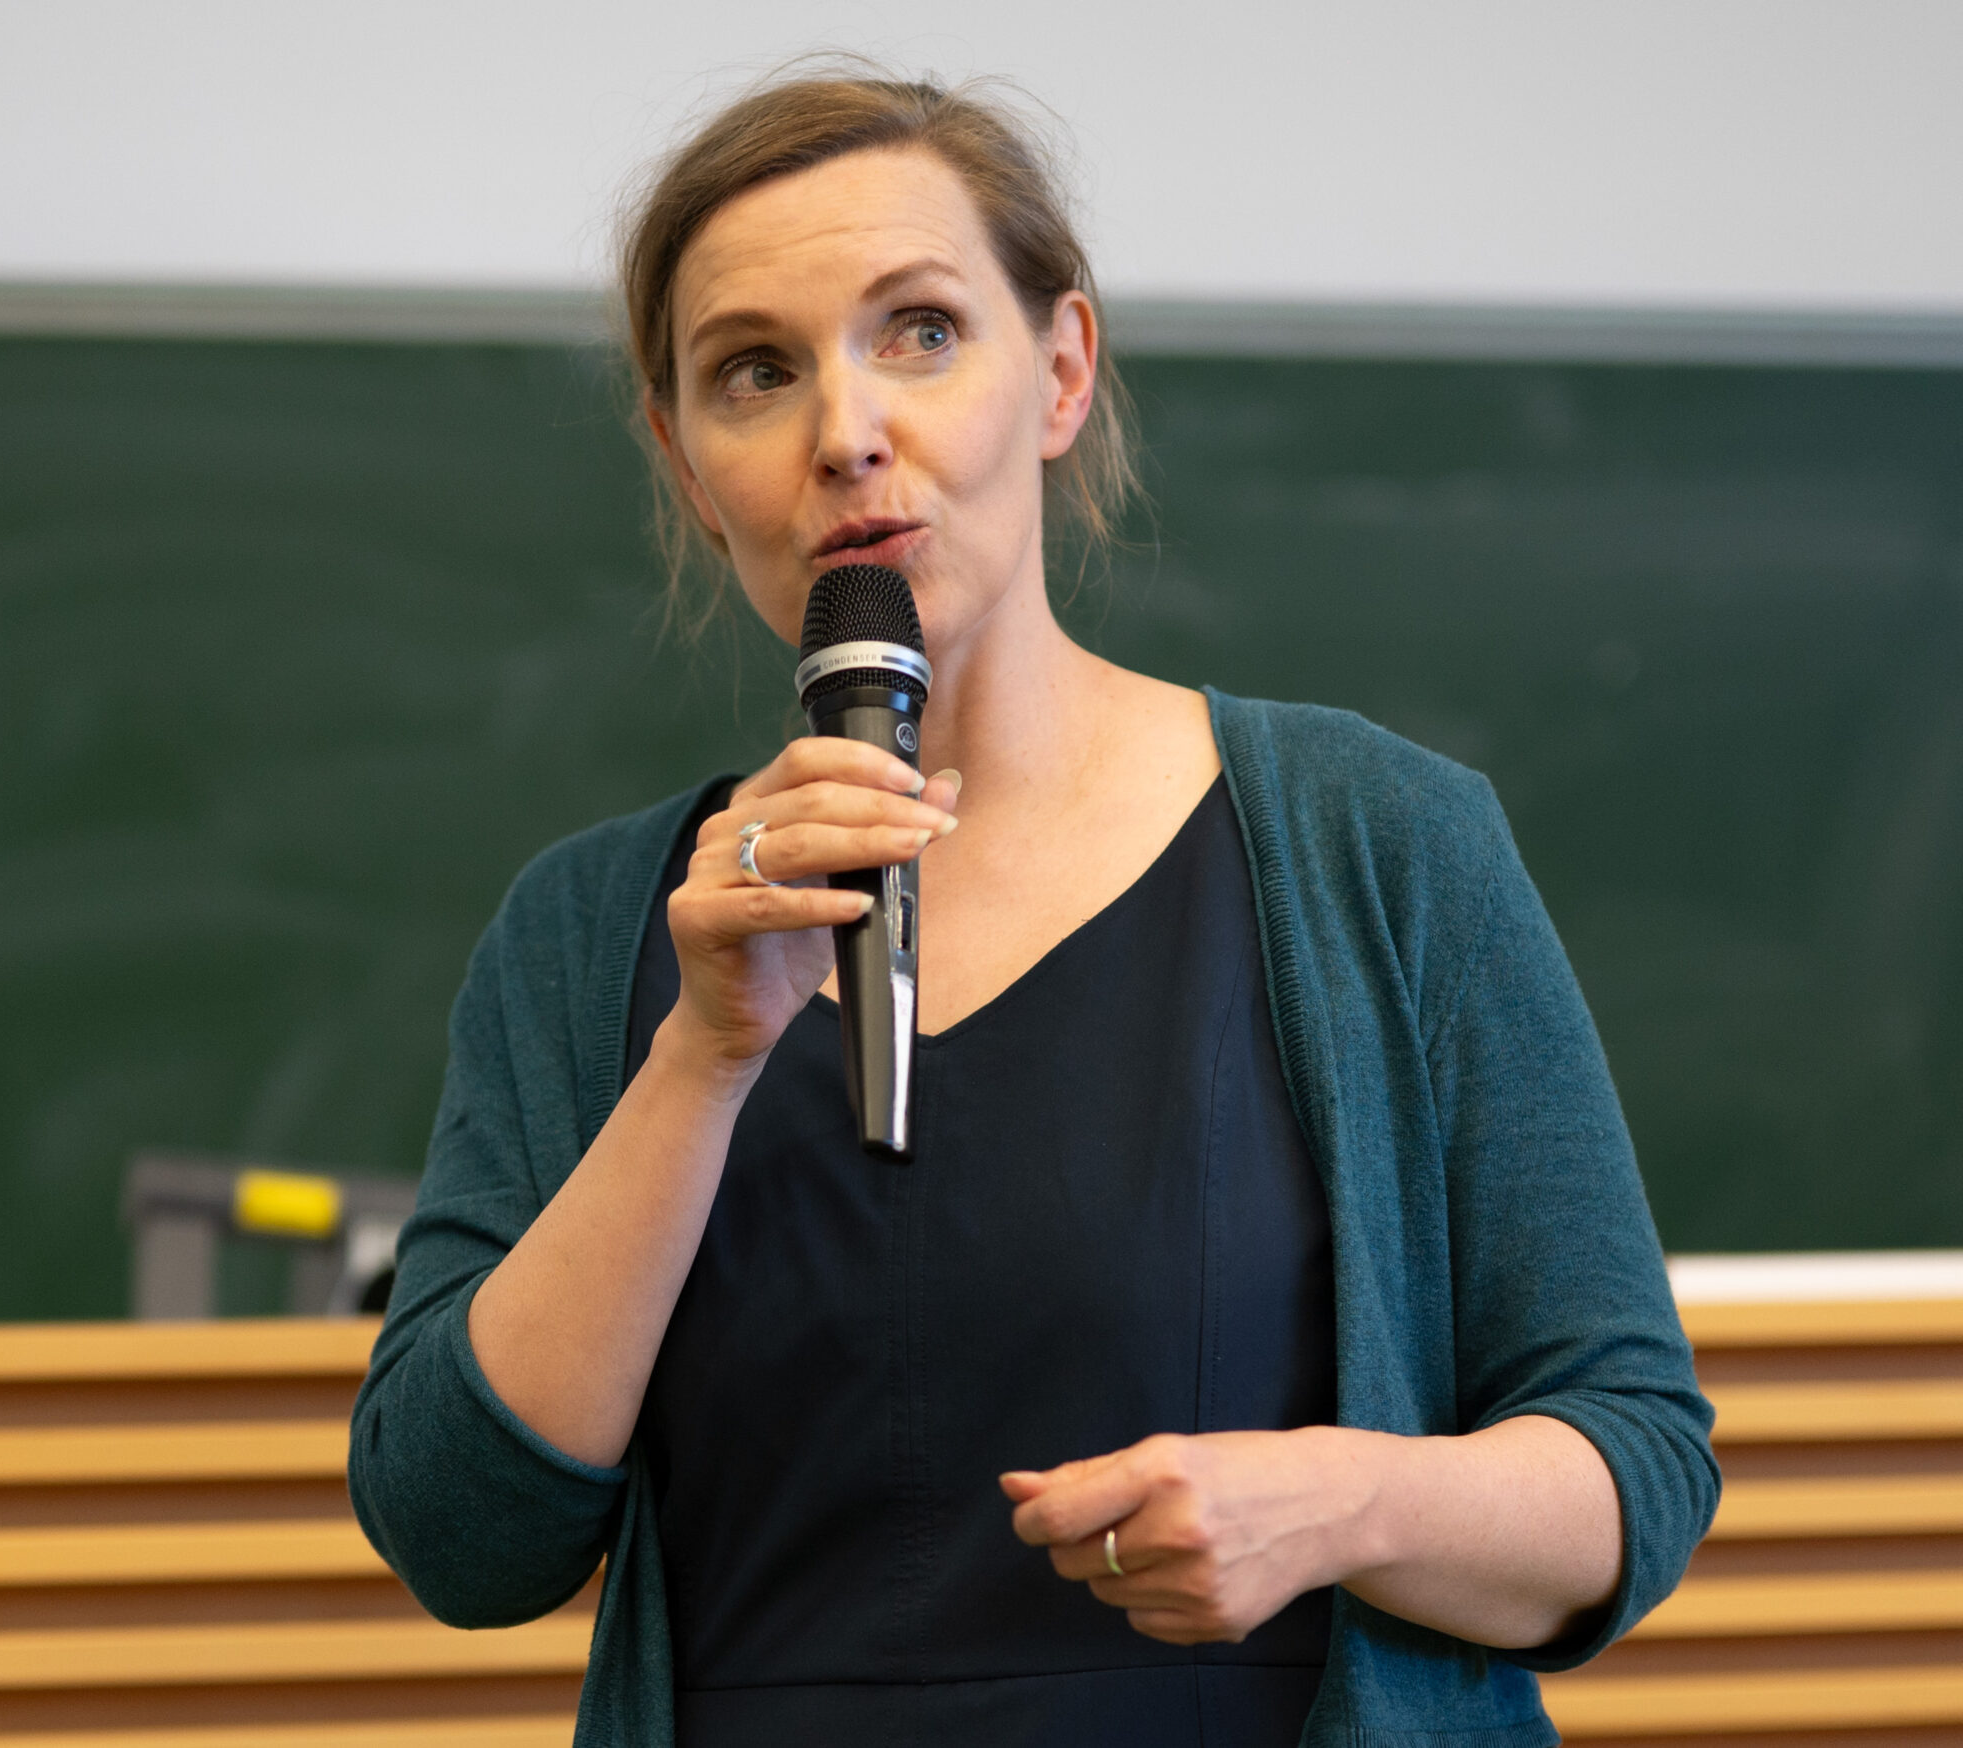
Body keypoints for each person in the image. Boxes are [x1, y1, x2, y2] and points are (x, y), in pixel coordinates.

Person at [349, 65, 1716, 1748]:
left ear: (1061, 370)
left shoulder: (1381, 843)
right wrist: (704, 1060)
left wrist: (1340, 1509)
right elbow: (459, 1538)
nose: (845, 427)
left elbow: (1634, 1468)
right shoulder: (588, 935)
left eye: (920, 331)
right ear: (689, 466)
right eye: (754, 371)